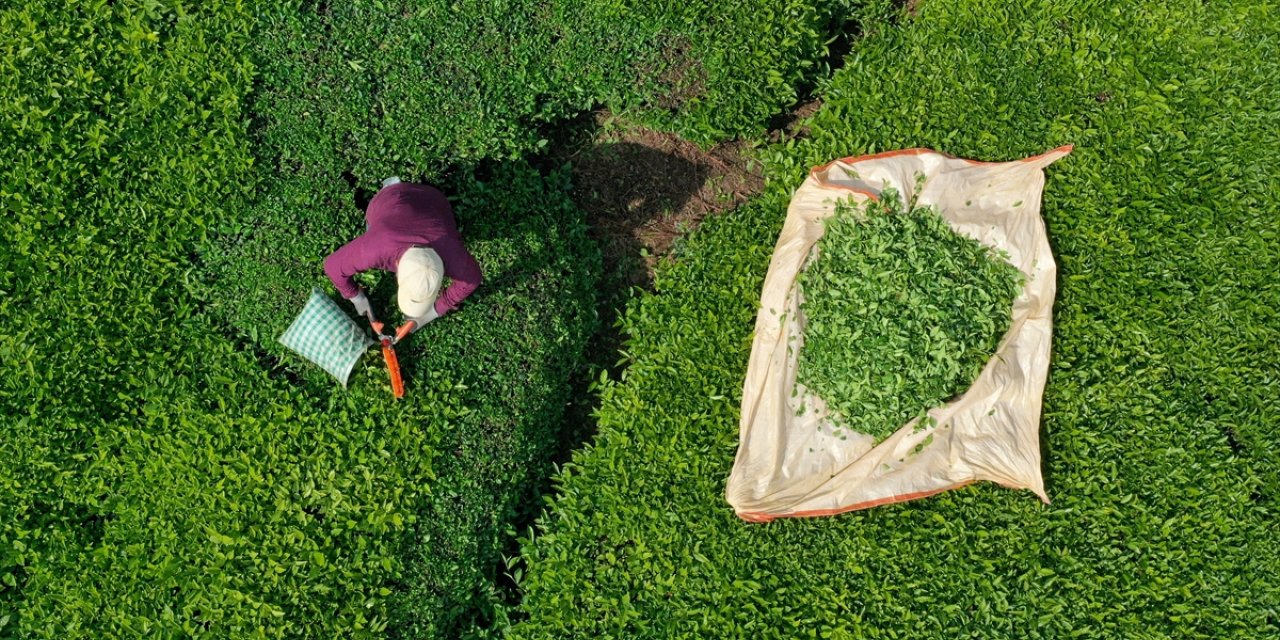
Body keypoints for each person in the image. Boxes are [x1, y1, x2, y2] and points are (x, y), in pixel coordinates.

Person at [324, 177, 482, 338]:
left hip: (434, 199)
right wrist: (356, 297)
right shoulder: (378, 245)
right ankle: (392, 186)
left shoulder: (453, 254)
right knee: (373, 224)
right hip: (393, 197)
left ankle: (405, 187)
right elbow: (332, 266)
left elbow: (473, 280)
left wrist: (428, 315)